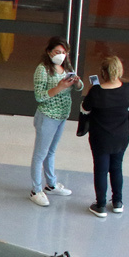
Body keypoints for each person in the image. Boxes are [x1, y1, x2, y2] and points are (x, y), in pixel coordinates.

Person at [80, 55, 129, 217]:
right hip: (121, 137)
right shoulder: (128, 89)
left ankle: (101, 204)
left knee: (101, 169)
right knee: (117, 167)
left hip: (100, 138)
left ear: (103, 72)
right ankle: (118, 202)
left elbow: (85, 109)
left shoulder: (96, 92)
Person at [28, 36, 83, 206]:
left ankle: (51, 184)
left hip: (62, 115)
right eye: (57, 52)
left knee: (51, 152)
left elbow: (79, 88)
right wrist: (60, 87)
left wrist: (77, 82)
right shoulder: (42, 70)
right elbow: (39, 96)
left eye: (64, 52)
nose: (61, 55)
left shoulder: (66, 67)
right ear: (49, 52)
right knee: (40, 154)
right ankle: (35, 189)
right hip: (47, 116)